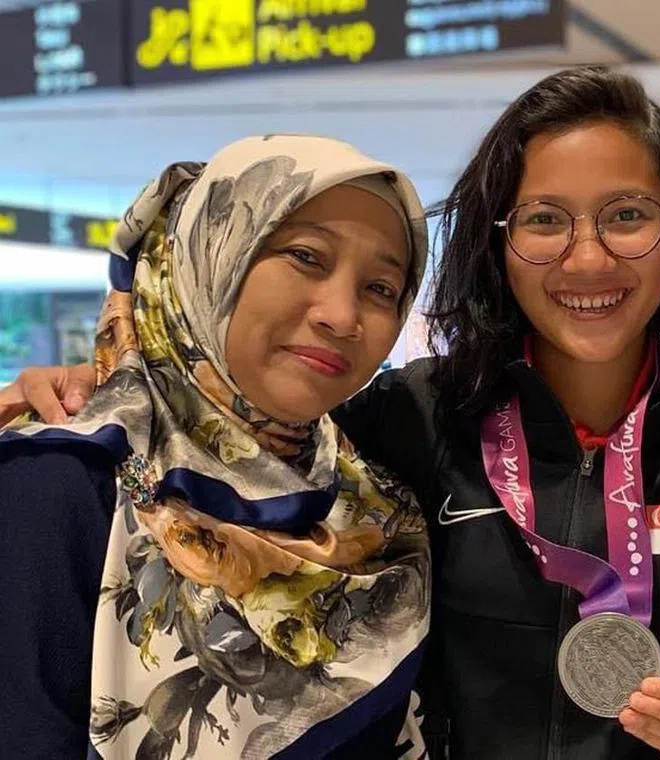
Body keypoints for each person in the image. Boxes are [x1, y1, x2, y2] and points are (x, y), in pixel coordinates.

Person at [0, 67, 660, 760]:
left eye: (628, 215)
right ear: (499, 251)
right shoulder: (412, 418)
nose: (586, 258)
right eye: (544, 220)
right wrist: (109, 392)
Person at [0, 134, 432, 759]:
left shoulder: (379, 513)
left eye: (381, 288)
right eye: (307, 257)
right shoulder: (57, 486)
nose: (343, 314)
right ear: (205, 260)